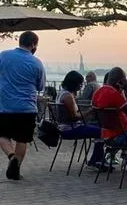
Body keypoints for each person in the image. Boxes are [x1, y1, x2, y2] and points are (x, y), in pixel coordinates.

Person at [0, 31, 46, 180]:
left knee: (2, 135)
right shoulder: (37, 63)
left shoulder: (3, 56)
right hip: (27, 108)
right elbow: (40, 86)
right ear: (33, 44)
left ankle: (11, 156)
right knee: (22, 139)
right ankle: (16, 169)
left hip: (5, 106)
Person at [56, 71, 104, 167]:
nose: (81, 86)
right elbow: (75, 116)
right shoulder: (68, 96)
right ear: (74, 83)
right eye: (80, 84)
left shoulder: (61, 94)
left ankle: (97, 160)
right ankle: (96, 160)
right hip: (70, 129)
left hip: (63, 127)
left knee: (96, 128)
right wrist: (90, 111)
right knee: (102, 132)